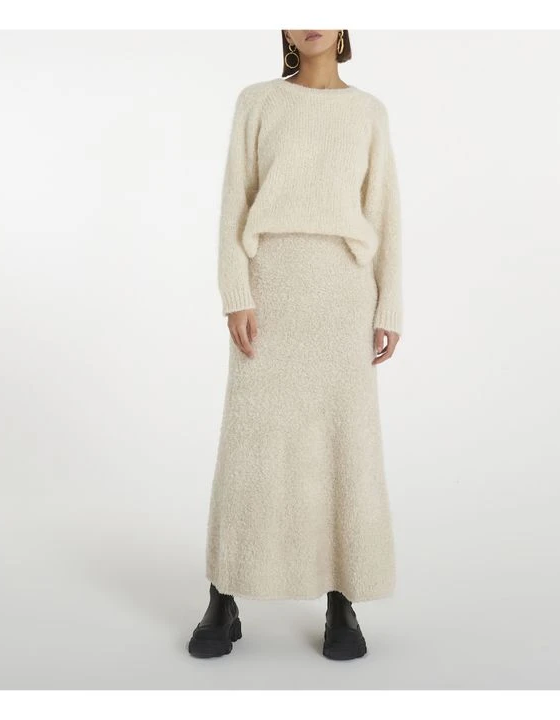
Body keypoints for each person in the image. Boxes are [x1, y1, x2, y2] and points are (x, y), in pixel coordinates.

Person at [189, 29, 402, 661]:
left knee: (344, 444)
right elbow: (234, 201)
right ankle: (223, 595)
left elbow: (384, 210)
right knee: (251, 443)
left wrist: (389, 303)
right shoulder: (257, 101)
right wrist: (236, 292)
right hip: (272, 286)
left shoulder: (368, 111)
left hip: (343, 292)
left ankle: (342, 596)